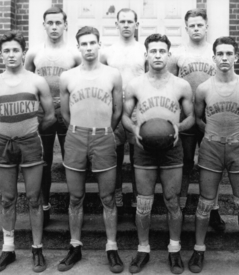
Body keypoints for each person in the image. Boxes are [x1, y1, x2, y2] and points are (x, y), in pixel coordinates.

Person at [189, 36, 239, 275]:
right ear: (213, 58)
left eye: (228, 54)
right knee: (205, 201)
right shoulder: (203, 88)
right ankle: (199, 249)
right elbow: (199, 119)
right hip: (211, 148)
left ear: (236, 57)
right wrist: (212, 134)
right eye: (220, 54)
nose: (224, 58)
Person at [0, 30, 56, 273]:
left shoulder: (37, 81)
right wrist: (6, 134)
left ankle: (37, 249)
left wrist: (28, 133)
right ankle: (8, 249)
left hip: (31, 143)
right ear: (1, 54)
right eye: (6, 50)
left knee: (35, 199)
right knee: (7, 199)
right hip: (4, 144)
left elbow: (50, 116)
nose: (11, 54)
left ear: (23, 52)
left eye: (15, 50)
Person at [122, 34, 194, 274]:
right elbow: (123, 115)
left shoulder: (181, 85)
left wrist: (178, 128)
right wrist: (134, 130)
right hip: (144, 150)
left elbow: (192, 117)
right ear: (146, 55)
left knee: (172, 201)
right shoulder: (135, 84)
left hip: (172, 149)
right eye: (153, 51)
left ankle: (174, 250)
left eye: (162, 51)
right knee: (143, 203)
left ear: (168, 54)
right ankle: (143, 249)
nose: (157, 55)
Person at [58, 26, 124, 273]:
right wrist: (80, 130)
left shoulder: (113, 74)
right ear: (78, 47)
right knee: (75, 197)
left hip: (103, 137)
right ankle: (75, 246)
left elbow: (117, 111)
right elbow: (65, 113)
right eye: (83, 44)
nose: (88, 48)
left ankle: (112, 247)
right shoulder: (67, 76)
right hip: (76, 137)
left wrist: (105, 131)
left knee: (107, 197)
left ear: (99, 45)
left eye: (92, 43)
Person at [168, 8, 225, 231]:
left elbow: (224, 84)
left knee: (211, 165)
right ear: (186, 28)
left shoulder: (217, 52)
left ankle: (213, 209)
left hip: (211, 116)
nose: (196, 29)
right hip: (186, 115)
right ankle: (180, 208)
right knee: (185, 163)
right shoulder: (178, 54)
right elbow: (170, 86)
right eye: (192, 25)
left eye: (199, 25)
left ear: (206, 26)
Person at [25, 6, 81, 226]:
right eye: (50, 23)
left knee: (73, 162)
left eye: (59, 23)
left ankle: (74, 207)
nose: (55, 27)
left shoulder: (74, 54)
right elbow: (27, 79)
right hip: (42, 113)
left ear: (65, 25)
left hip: (68, 113)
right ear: (44, 25)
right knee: (44, 162)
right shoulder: (34, 53)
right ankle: (45, 206)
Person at [100, 8, 147, 217]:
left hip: (139, 108)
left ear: (137, 24)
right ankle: (117, 199)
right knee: (115, 156)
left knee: (138, 155)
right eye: (123, 21)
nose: (126, 25)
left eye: (130, 21)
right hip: (115, 108)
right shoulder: (108, 51)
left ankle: (138, 199)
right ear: (116, 25)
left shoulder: (143, 50)